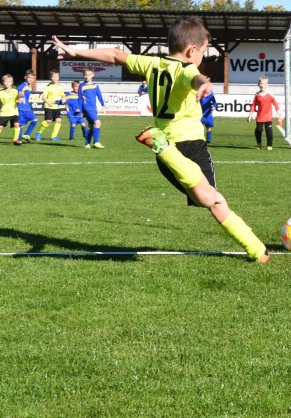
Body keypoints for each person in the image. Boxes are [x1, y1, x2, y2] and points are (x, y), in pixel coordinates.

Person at [50, 17, 270, 263]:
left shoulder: (151, 63)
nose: (202, 59)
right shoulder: (187, 68)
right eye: (204, 53)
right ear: (191, 51)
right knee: (211, 199)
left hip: (167, 150)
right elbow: (193, 77)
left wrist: (74, 50)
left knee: (211, 200)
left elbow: (114, 54)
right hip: (188, 145)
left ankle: (257, 250)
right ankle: (256, 248)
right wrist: (205, 83)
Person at [248, 76, 281, 151]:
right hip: (260, 117)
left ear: (267, 85)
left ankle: (269, 145)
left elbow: (275, 103)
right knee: (258, 130)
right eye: (260, 83)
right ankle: (259, 144)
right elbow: (253, 105)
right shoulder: (257, 95)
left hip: (268, 116)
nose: (262, 85)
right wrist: (250, 113)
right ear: (258, 84)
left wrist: (278, 111)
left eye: (263, 83)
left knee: (269, 130)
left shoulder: (270, 95)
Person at [35, 70, 67, 142]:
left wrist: (64, 98)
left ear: (58, 78)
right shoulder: (48, 87)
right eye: (53, 77)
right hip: (48, 106)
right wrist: (48, 102)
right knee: (48, 121)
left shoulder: (60, 87)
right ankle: (39, 132)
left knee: (58, 120)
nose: (55, 78)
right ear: (51, 77)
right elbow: (43, 97)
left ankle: (54, 136)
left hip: (56, 107)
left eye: (56, 77)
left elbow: (63, 95)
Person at [78, 67, 105, 149]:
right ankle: (96, 142)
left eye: (89, 75)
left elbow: (99, 95)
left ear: (93, 75)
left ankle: (86, 143)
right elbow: (79, 99)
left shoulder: (95, 85)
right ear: (83, 75)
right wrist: (80, 110)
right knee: (98, 123)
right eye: (85, 75)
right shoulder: (81, 86)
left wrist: (103, 104)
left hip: (93, 108)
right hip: (87, 107)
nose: (87, 76)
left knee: (91, 126)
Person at [16, 70, 38, 142]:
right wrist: (20, 97)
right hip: (21, 108)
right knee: (21, 125)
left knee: (34, 120)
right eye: (29, 77)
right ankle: (19, 140)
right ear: (25, 77)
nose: (31, 79)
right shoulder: (24, 85)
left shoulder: (29, 86)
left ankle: (26, 134)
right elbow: (19, 90)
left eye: (32, 78)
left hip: (27, 108)